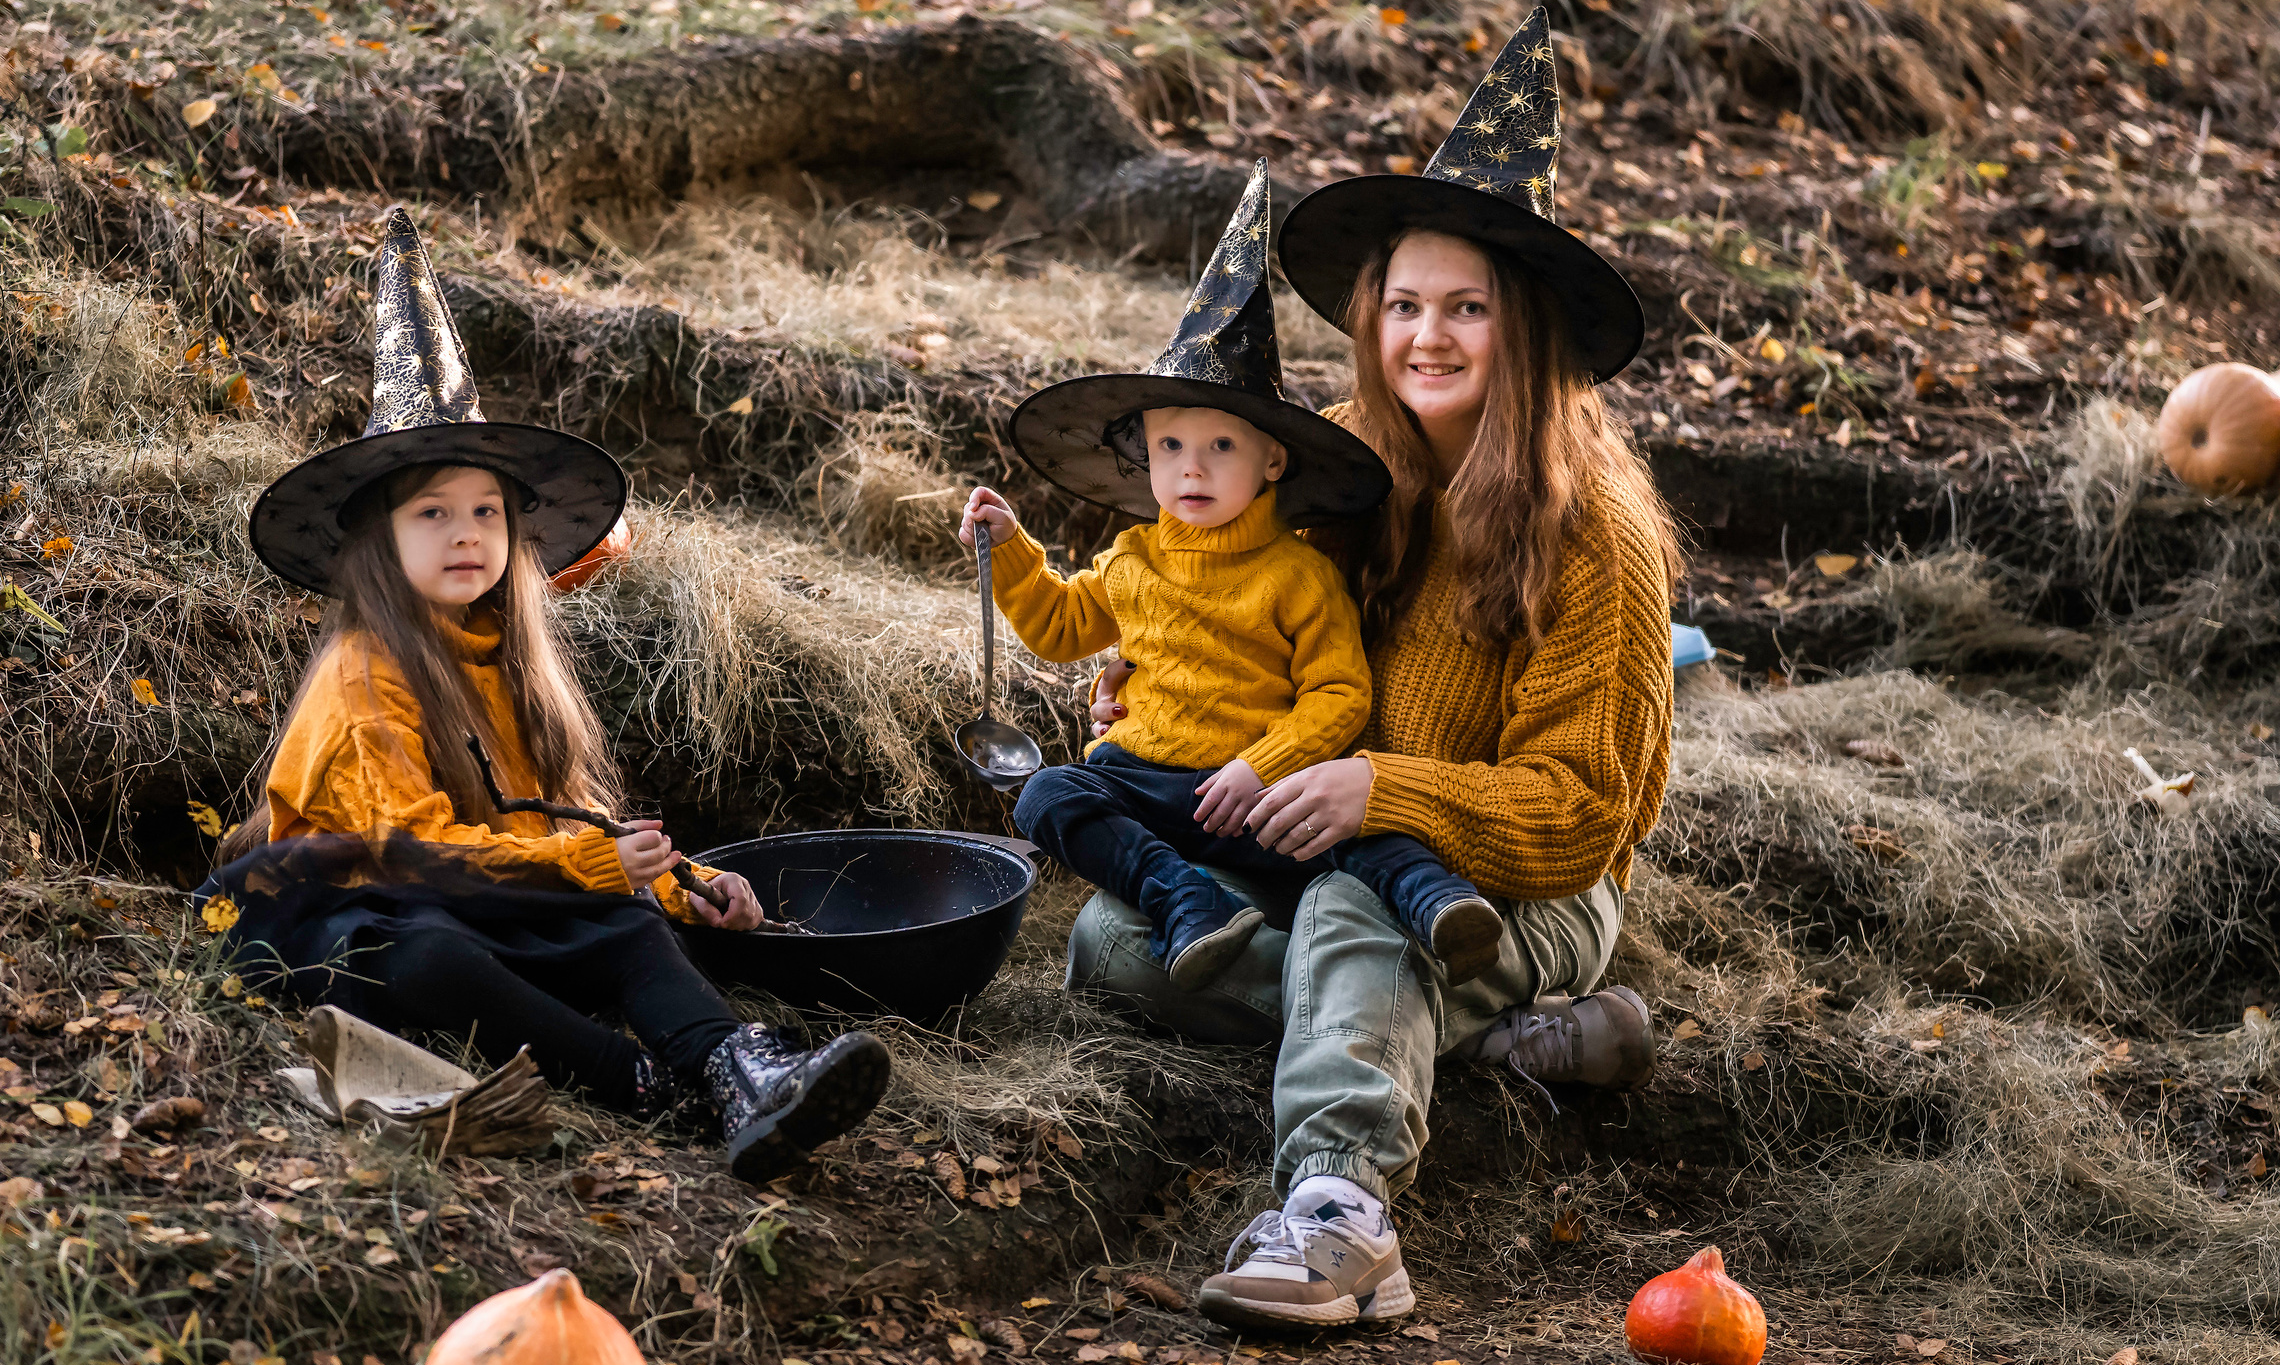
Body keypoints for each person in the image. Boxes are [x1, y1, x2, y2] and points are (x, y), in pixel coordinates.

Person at [1063, 11, 1684, 1330]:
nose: (1428, 338)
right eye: (1404, 306)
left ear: (1524, 327)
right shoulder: (1340, 467)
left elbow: (1582, 812)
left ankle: (1341, 1214)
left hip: (1525, 883)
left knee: (1352, 913)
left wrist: (1381, 789)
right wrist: (1154, 684)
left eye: (1466, 308)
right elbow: (1232, 615)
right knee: (1116, 938)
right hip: (1332, 835)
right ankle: (1508, 1043)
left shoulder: (1596, 534)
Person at [204, 207, 887, 1183]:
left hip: (471, 899)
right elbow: (409, 857)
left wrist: (677, 881)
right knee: (434, 955)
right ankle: (639, 1081)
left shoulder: (508, 662)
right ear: (379, 543)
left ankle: (738, 1069)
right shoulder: (363, 673)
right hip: (352, 911)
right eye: (432, 513)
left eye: (486, 511)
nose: (465, 534)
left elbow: (556, 830)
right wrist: (590, 864)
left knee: (623, 924)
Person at [967, 162, 1503, 995]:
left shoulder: (1296, 572)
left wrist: (1265, 764)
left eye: (1222, 446)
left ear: (1272, 459)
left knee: (1351, 831)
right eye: (1171, 446)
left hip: (1255, 785)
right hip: (1147, 780)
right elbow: (1061, 624)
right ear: (1145, 456)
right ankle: (1184, 898)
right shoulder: (1135, 558)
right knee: (1047, 794)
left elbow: (1339, 693)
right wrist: (1009, 549)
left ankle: (1438, 901)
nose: (1193, 468)